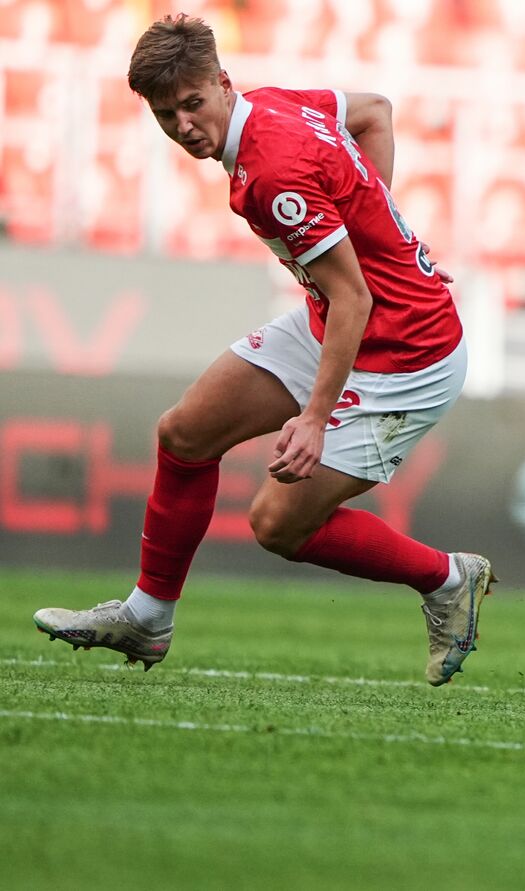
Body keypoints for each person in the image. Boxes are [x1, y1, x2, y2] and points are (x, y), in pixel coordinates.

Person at [31, 15, 494, 687]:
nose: (184, 124)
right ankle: (148, 615)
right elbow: (374, 113)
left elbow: (356, 302)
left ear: (223, 83)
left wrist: (313, 416)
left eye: (193, 103)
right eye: (167, 115)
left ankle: (448, 578)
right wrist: (377, 230)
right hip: (340, 316)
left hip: (406, 354)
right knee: (185, 433)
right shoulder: (276, 104)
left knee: (277, 522)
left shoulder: (270, 175)